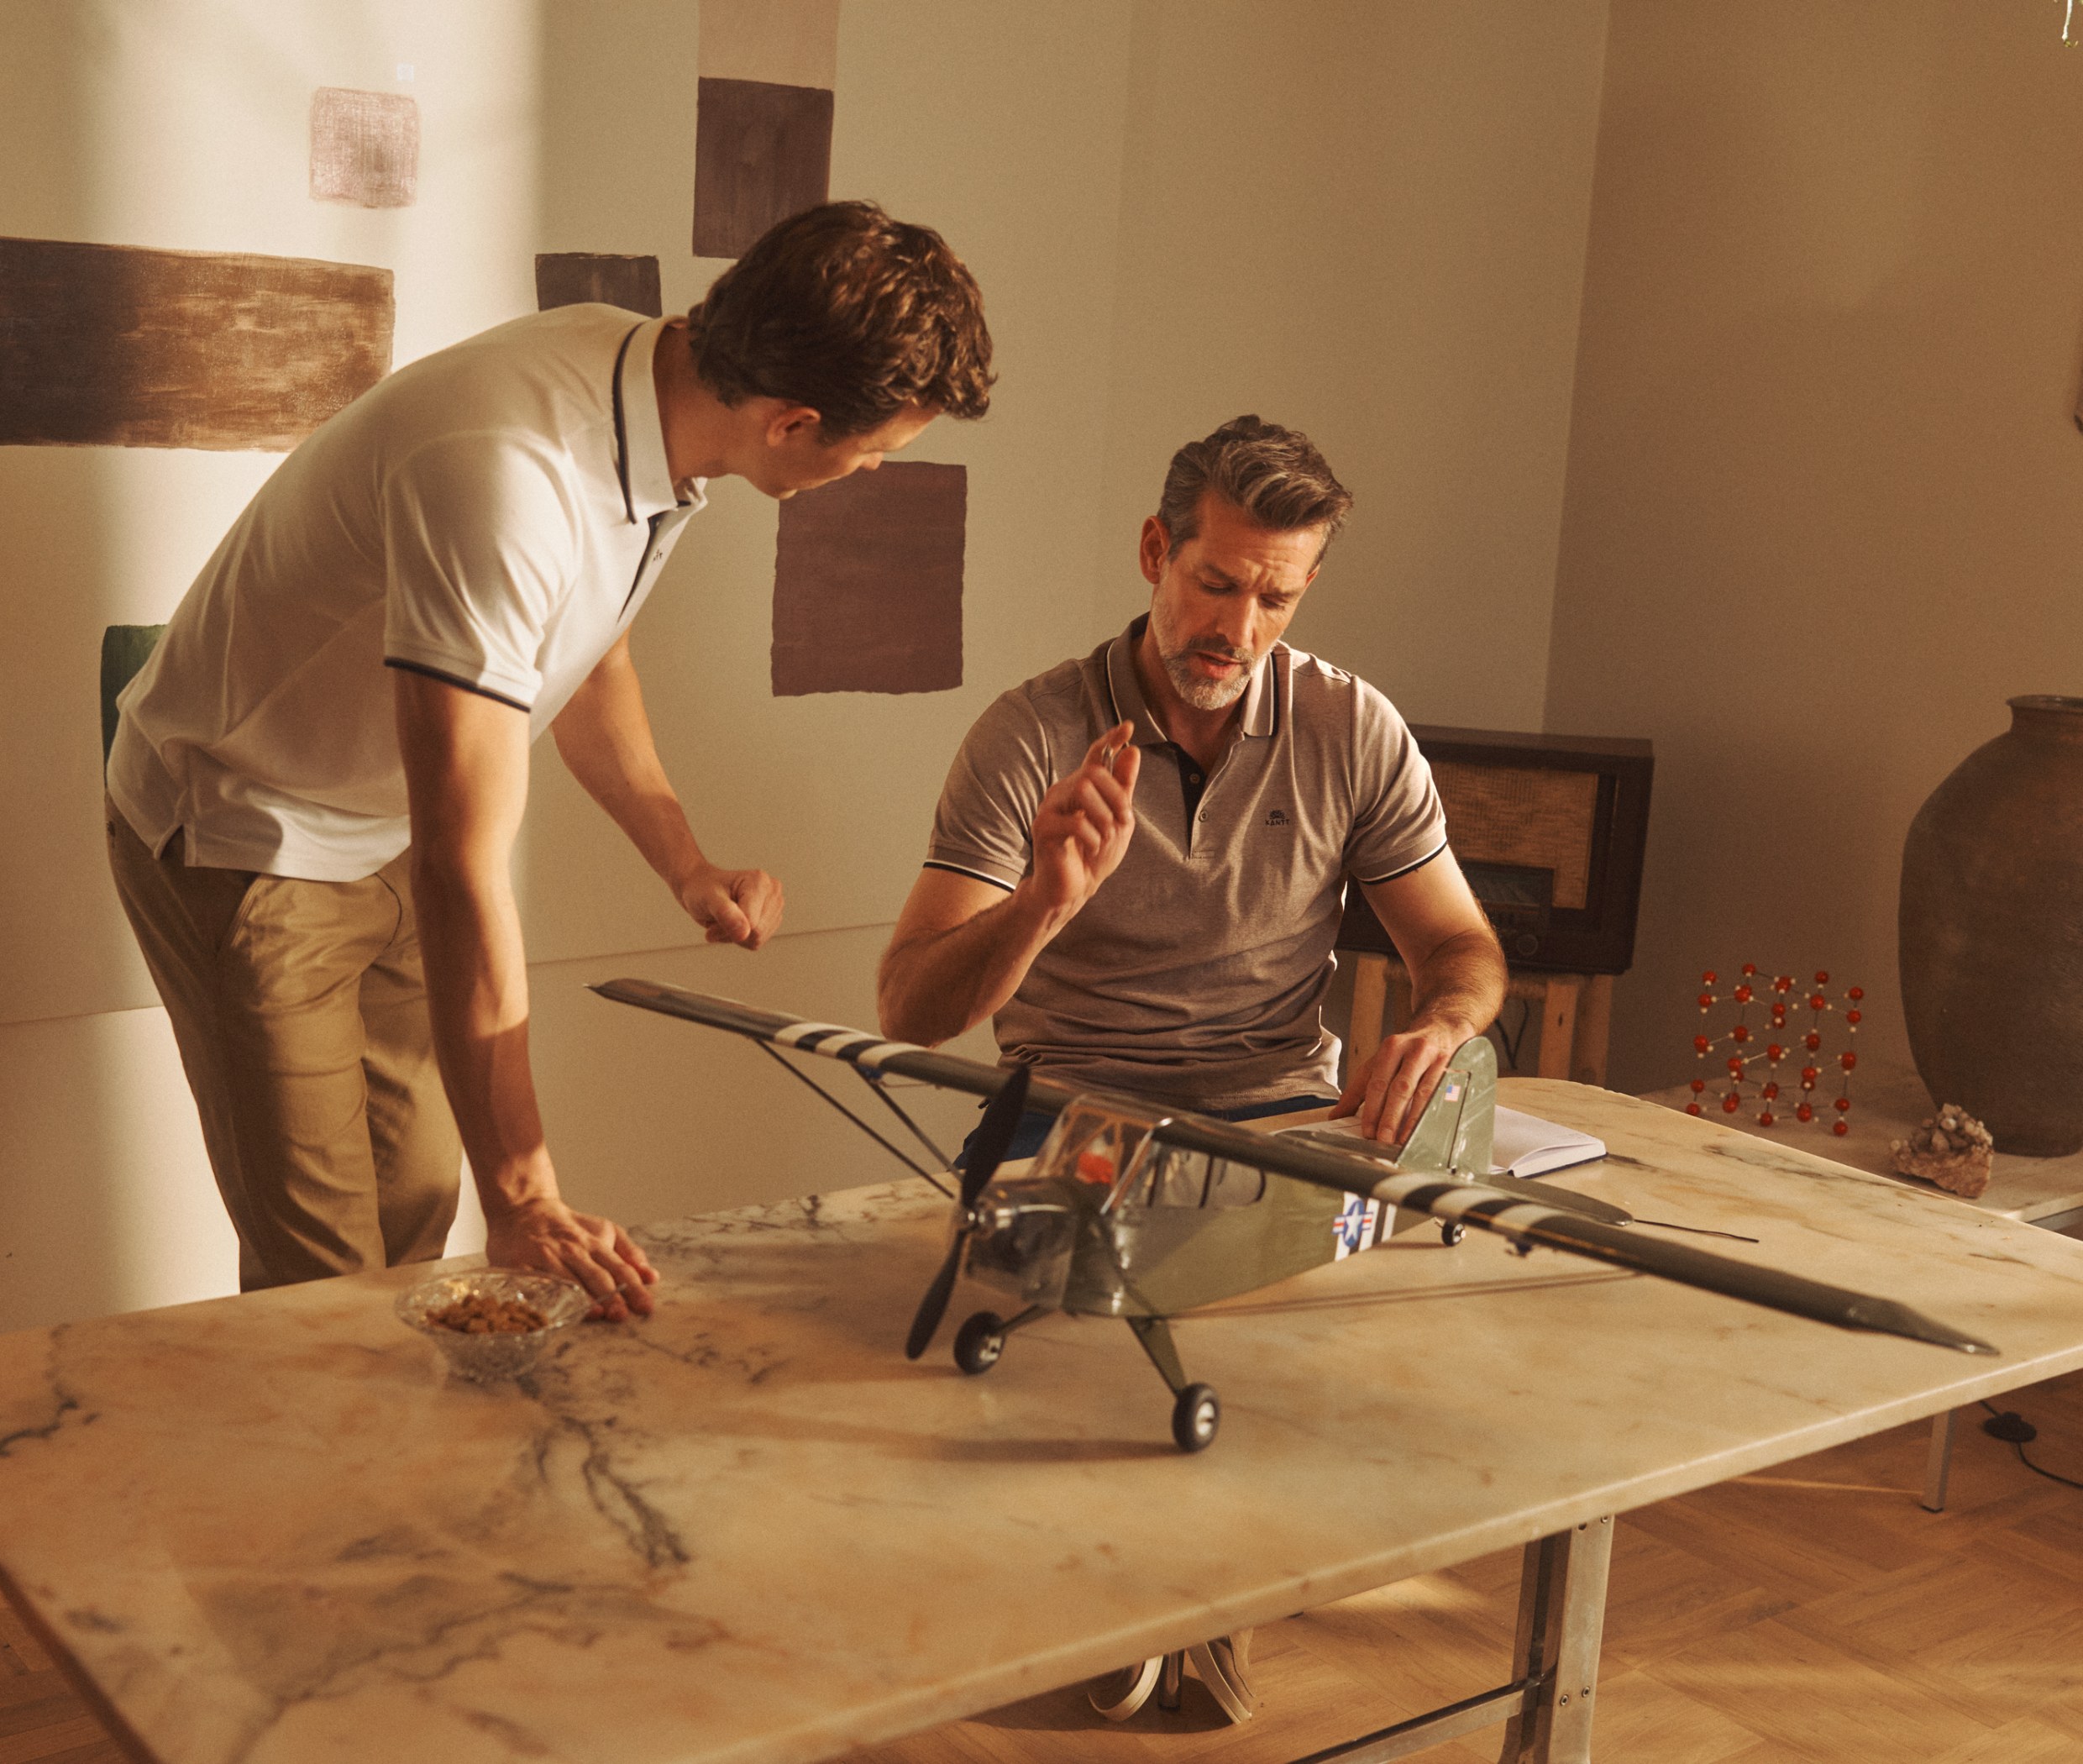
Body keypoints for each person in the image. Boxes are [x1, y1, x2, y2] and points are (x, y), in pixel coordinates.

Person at [107, 202, 994, 1317]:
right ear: (793, 421)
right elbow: (461, 868)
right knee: (320, 1292)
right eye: (873, 452)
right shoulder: (510, 473)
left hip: (378, 828)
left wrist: (684, 861)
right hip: (249, 828)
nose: (867, 471)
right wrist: (524, 1194)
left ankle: (398, 1478)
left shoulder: (648, 392)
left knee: (413, 1225)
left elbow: (587, 650)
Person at [877, 415, 1504, 1156]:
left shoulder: (1353, 727)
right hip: (1066, 1117)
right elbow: (909, 1014)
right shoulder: (1030, 734)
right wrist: (1041, 903)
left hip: (1282, 1111)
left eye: (1275, 601)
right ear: (1155, 551)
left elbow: (1458, 942)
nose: (1238, 631)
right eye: (1217, 585)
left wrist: (1444, 1026)